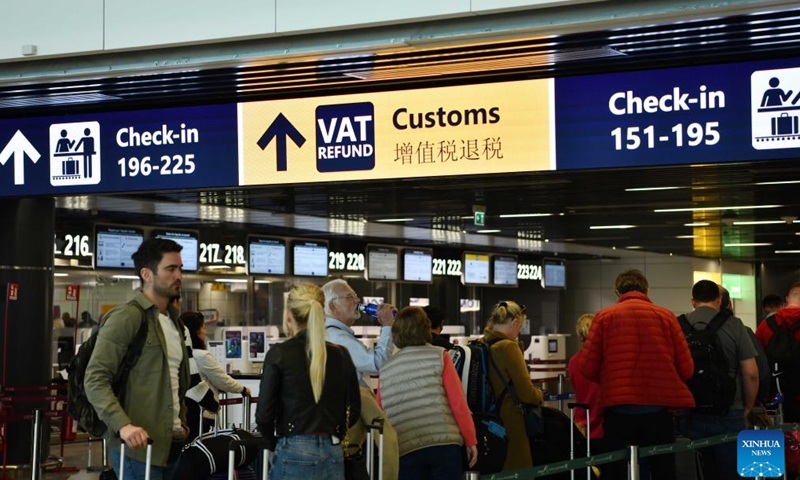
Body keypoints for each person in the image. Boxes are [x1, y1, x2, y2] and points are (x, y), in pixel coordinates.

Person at [84, 238, 190, 480]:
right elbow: (95, 379)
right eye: (171, 269)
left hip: (172, 445)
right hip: (138, 449)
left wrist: (181, 421)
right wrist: (123, 426)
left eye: (180, 268)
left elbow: (173, 381)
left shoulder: (174, 322)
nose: (179, 275)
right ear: (147, 274)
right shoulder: (128, 318)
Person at [581, 269, 695, 480]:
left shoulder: (604, 317)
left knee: (618, 471)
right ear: (647, 290)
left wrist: (613, 379)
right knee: (663, 469)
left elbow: (587, 367)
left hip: (618, 411)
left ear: (617, 292)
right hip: (658, 411)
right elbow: (687, 369)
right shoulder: (666, 317)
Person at [256, 283, 360, 480]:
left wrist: (274, 443)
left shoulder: (279, 354)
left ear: (288, 316)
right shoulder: (341, 355)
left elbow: (264, 415)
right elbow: (353, 408)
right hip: (333, 451)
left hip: (293, 449)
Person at [377, 306, 477, 480]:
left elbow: (379, 411)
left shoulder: (385, 368)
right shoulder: (440, 356)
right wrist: (470, 440)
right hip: (444, 445)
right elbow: (458, 403)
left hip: (405, 447)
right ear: (426, 328)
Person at [675, 280, 758, 480]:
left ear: (693, 301)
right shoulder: (735, 325)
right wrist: (747, 407)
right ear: (719, 299)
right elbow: (751, 373)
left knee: (694, 471)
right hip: (729, 410)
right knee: (731, 472)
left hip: (688, 411)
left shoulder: (678, 325)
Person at [480, 301, 543, 472]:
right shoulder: (508, 347)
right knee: (516, 469)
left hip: (488, 419)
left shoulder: (482, 343)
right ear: (515, 323)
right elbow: (526, 393)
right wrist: (539, 396)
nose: (519, 332)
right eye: (520, 327)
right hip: (510, 420)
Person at [181, 311, 249, 440]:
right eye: (203, 327)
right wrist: (243, 389)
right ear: (195, 332)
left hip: (186, 414)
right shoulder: (201, 356)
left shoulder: (181, 355)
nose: (205, 332)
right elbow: (222, 379)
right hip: (204, 415)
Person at [322, 279, 397, 388]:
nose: (357, 300)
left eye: (355, 295)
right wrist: (387, 326)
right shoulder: (338, 338)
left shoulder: (332, 333)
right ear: (333, 306)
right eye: (349, 297)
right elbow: (378, 364)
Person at [756, 282, 800, 422]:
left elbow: (757, 362)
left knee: (778, 440)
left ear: (787, 299)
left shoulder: (766, 325)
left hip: (775, 398)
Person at [344, 386, 400, 480]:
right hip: (349, 464)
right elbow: (387, 440)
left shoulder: (359, 395)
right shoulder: (358, 394)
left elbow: (387, 440)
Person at [567, 314, 604, 450]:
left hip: (581, 425)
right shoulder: (604, 359)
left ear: (578, 334)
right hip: (602, 425)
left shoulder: (573, 361)